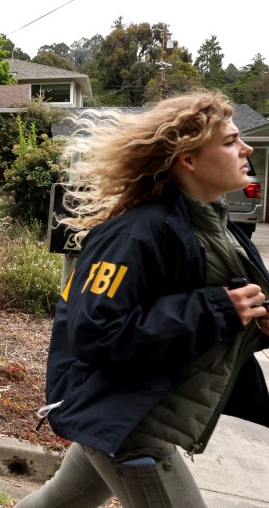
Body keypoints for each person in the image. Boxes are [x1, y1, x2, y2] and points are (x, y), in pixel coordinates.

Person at [17, 92, 269, 507]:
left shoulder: (217, 228)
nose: (246, 149)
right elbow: (95, 330)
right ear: (188, 159)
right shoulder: (135, 233)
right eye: (229, 141)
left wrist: (255, 318)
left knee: (57, 503)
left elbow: (223, 309)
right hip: (130, 415)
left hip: (144, 404)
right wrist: (218, 309)